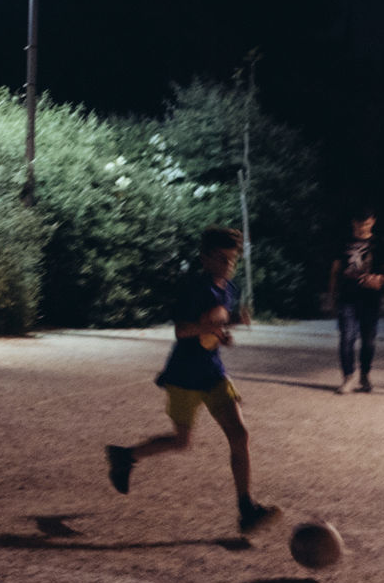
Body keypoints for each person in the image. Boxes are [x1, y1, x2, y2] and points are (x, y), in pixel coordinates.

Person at [104, 225, 281, 534]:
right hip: (184, 374)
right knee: (181, 441)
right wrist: (215, 328)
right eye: (221, 257)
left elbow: (213, 326)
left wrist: (228, 328)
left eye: (233, 258)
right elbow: (183, 330)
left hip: (212, 371)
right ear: (204, 258)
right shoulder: (193, 288)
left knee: (240, 435)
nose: (228, 263)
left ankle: (246, 510)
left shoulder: (231, 288)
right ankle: (125, 456)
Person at [326, 205, 384, 393]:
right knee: (347, 338)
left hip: (370, 298)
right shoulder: (343, 242)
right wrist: (331, 295)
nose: (363, 228)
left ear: (373, 222)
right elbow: (335, 270)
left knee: (369, 340)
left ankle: (365, 375)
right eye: (360, 224)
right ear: (353, 223)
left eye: (367, 224)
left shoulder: (379, 243)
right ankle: (348, 377)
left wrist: (380, 281)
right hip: (347, 297)